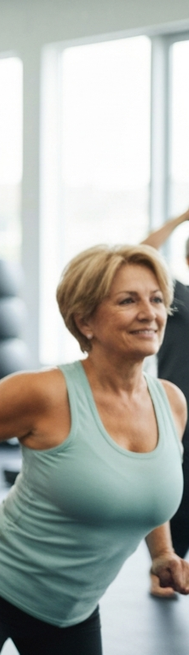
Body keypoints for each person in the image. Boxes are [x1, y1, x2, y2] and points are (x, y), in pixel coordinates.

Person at [0, 244, 189, 654]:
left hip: (72, 611)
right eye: (127, 300)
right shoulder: (43, 392)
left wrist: (163, 552)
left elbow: (147, 481)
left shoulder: (171, 403)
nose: (149, 313)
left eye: (156, 300)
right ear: (85, 320)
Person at [140, 206, 189, 598]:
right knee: (177, 491)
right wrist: (181, 219)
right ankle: (166, 564)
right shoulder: (176, 300)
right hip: (177, 415)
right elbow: (142, 253)